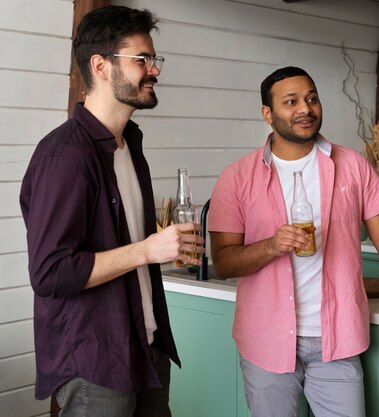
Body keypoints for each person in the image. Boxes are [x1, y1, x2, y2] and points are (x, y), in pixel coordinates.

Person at [209, 66, 379, 417]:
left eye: (312, 98)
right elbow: (222, 262)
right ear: (267, 114)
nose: (306, 109)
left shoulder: (353, 166)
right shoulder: (236, 178)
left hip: (337, 340)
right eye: (291, 101)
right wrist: (271, 246)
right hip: (265, 341)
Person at [19, 6, 204, 416]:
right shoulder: (66, 156)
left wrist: (161, 248)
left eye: (154, 60)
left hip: (145, 350)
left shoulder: (128, 146)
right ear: (101, 66)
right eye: (142, 60)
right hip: (96, 364)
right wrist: (146, 250)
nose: (154, 70)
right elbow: (50, 273)